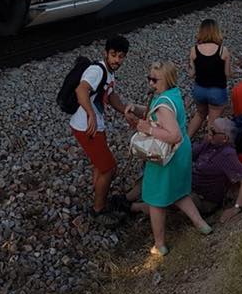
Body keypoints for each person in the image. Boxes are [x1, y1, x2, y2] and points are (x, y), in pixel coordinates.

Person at [123, 61, 212, 256]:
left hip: (166, 155)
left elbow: (174, 135)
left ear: (168, 80)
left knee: (156, 201)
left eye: (155, 80)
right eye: (149, 78)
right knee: (179, 192)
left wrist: (148, 129)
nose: (151, 83)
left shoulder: (163, 105)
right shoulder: (172, 95)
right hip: (181, 152)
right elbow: (161, 115)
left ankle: (160, 245)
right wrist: (138, 109)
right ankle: (202, 225)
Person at [69, 35, 131, 228]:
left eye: (121, 57)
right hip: (86, 127)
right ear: (105, 53)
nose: (117, 60)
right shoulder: (97, 70)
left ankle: (99, 199)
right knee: (108, 168)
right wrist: (91, 115)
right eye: (113, 55)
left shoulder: (108, 73)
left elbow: (110, 96)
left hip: (95, 126)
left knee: (100, 165)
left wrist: (125, 112)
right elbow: (81, 91)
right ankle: (98, 210)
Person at [191, 118, 242, 224]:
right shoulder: (210, 142)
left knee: (169, 194)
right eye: (210, 128)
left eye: (213, 131)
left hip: (203, 199)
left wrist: (236, 208)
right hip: (190, 185)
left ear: (224, 138)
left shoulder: (227, 154)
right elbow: (190, 155)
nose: (209, 132)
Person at [186, 19, 232, 137]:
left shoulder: (194, 50)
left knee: (200, 114)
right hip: (217, 91)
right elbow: (227, 74)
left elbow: (191, 74)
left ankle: (184, 141)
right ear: (217, 32)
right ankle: (208, 147)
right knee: (213, 123)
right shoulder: (223, 51)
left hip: (199, 90)